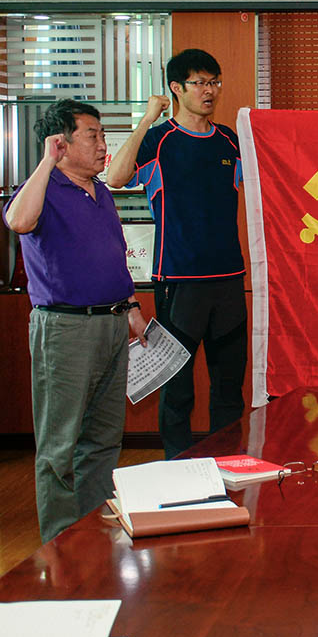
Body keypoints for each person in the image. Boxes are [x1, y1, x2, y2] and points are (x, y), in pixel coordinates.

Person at [4, 100, 146, 542]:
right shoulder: (43, 187)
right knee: (59, 445)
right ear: (61, 144)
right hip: (65, 329)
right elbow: (18, 221)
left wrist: (132, 307)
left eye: (103, 136)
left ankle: (90, 533)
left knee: (103, 438)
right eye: (93, 136)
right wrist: (47, 162)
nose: (104, 145)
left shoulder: (99, 191)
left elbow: (113, 254)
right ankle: (60, 542)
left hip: (111, 323)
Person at [106, 48, 246, 459]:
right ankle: (178, 468)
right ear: (176, 88)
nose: (209, 90)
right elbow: (115, 178)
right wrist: (147, 119)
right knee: (178, 388)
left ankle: (228, 466)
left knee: (228, 388)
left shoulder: (229, 141)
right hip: (179, 281)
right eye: (199, 83)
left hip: (229, 280)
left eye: (214, 82)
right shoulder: (158, 139)